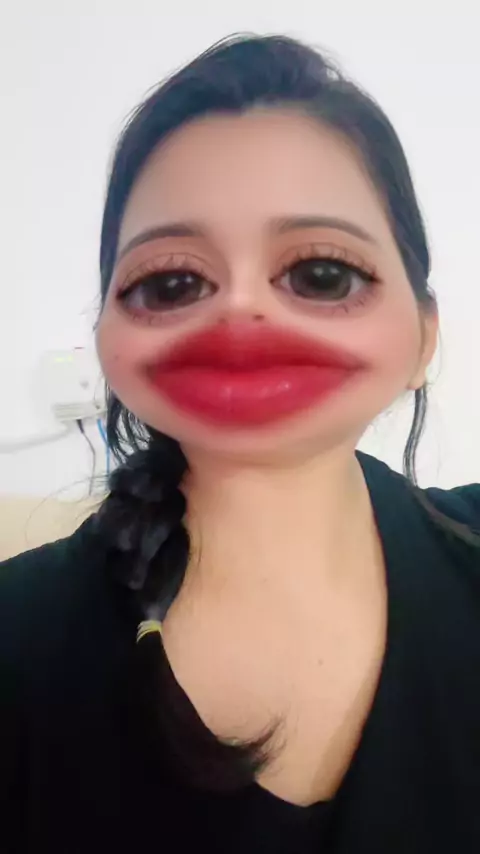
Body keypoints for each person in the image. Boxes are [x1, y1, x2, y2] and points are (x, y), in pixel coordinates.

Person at [1, 34, 479, 854]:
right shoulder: (17, 641)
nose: (239, 314)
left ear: (425, 335)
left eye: (322, 274)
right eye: (171, 282)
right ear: (107, 338)